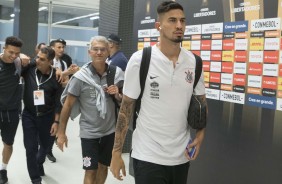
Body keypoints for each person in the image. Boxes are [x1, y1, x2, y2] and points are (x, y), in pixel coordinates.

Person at [110, 1, 207, 184]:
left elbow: (202, 104)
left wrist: (200, 137)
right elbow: (125, 109)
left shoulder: (195, 62)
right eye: (172, 20)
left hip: (181, 156)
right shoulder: (141, 60)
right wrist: (116, 153)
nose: (179, 25)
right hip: (148, 156)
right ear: (158, 26)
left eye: (182, 21)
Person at [56, 36, 124, 184]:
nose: (99, 52)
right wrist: (61, 132)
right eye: (95, 49)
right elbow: (67, 105)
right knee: (90, 169)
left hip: (109, 131)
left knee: (103, 167)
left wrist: (117, 94)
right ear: (89, 52)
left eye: (103, 49)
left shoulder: (116, 73)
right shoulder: (80, 77)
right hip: (89, 133)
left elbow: (124, 101)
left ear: (108, 52)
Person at [21, 46, 63, 184]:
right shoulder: (29, 69)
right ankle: (35, 179)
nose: (37, 60)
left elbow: (58, 103)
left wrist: (56, 122)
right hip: (29, 115)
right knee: (30, 148)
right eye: (37, 57)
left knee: (45, 147)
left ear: (50, 62)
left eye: (42, 59)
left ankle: (39, 163)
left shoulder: (56, 77)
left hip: (47, 116)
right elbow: (14, 60)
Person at [0, 36, 30, 184]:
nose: (13, 56)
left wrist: (60, 72)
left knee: (8, 143)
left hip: (11, 111)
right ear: (4, 48)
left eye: (17, 53)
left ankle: (3, 170)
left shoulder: (20, 63)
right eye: (10, 52)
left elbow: (43, 64)